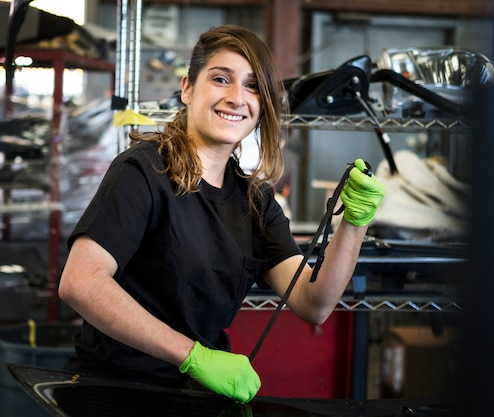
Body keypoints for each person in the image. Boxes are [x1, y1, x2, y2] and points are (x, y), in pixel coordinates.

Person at [58, 24, 385, 404]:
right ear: (187, 88)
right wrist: (193, 357)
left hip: (194, 397)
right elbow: (80, 283)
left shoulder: (254, 199)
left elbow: (313, 304)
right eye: (220, 79)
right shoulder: (142, 172)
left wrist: (354, 223)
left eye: (251, 86)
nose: (236, 98)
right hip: (114, 394)